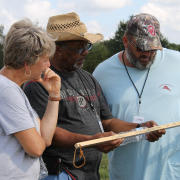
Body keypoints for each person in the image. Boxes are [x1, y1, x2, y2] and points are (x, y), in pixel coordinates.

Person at [23, 12, 165, 180]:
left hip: (88, 174)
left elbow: (108, 122)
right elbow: (46, 133)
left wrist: (140, 129)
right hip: (59, 173)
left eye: (87, 47)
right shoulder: (39, 83)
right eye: (79, 48)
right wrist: (91, 140)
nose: (86, 53)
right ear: (58, 49)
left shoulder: (88, 79)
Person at [93, 13, 180, 180]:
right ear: (126, 41)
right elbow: (98, 122)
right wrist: (139, 129)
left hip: (172, 172)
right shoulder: (102, 73)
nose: (147, 53)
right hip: (125, 174)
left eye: (152, 48)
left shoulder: (177, 62)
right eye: (141, 47)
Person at [0, 18, 61, 180]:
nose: (48, 65)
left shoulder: (13, 89)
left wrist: (54, 95)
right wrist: (38, 140)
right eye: (45, 59)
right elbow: (36, 149)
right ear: (27, 63)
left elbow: (45, 139)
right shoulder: (6, 90)